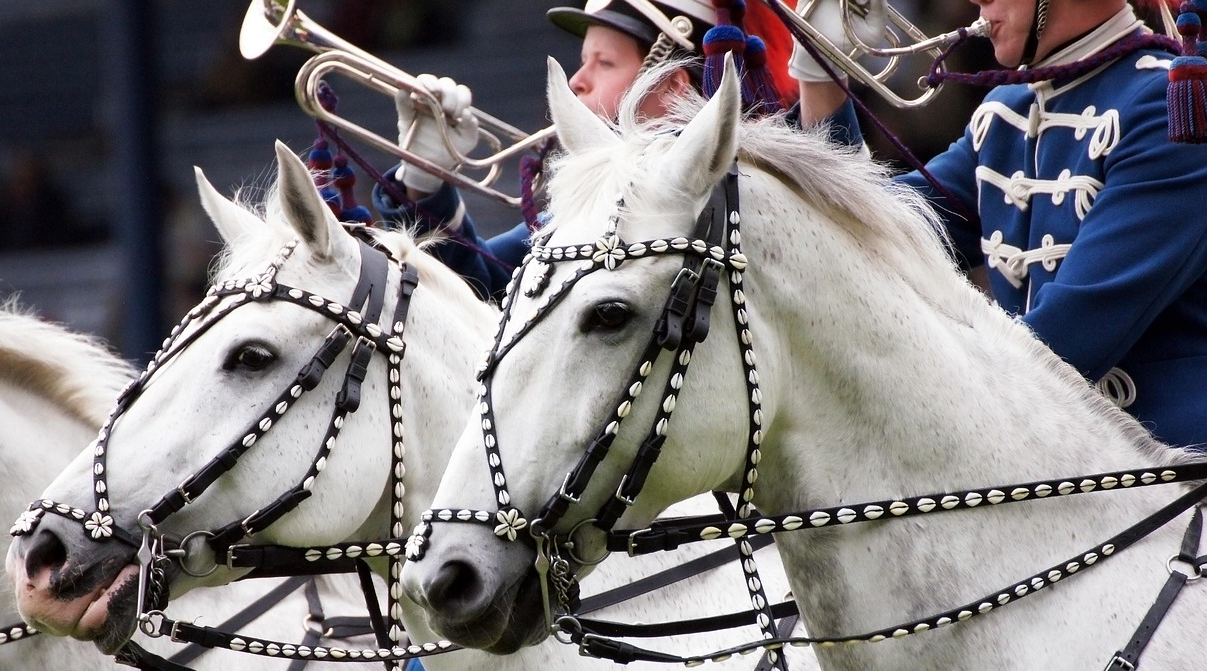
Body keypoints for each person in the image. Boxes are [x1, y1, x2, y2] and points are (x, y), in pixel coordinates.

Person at [792, 0, 1207, 448]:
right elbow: (863, 235)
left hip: (1170, 481)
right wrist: (819, 66)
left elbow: (1064, 345)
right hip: (1044, 467)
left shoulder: (1168, 109)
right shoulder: (1006, 111)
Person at [371, 0, 817, 301]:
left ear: (672, 87)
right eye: (584, 60)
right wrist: (423, 180)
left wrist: (821, 85)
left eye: (604, 63)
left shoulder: (762, 201)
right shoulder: (585, 217)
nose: (577, 80)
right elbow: (481, 293)